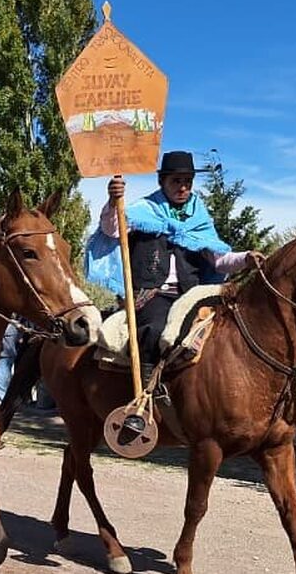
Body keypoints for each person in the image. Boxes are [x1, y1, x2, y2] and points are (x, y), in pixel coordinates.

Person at [86, 151, 263, 432]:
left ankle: (214, 404)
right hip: (151, 294)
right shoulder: (142, 211)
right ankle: (142, 403)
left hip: (193, 293)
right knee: (156, 330)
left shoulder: (199, 219)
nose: (183, 187)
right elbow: (110, 231)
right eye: (177, 181)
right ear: (163, 181)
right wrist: (112, 201)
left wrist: (246, 258)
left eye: (188, 181)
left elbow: (218, 259)